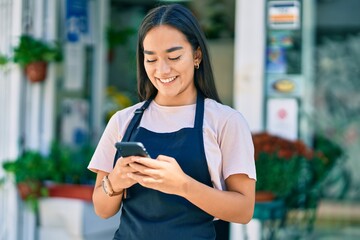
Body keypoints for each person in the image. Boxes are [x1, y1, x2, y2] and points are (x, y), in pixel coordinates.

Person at [88, 4, 256, 240]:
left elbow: (244, 210)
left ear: (196, 55)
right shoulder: (123, 121)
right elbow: (102, 209)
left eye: (174, 56)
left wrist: (183, 185)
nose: (162, 70)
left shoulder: (225, 121)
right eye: (151, 59)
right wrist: (115, 181)